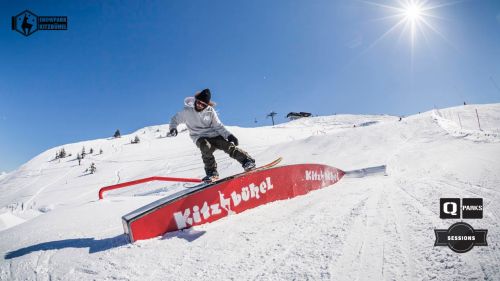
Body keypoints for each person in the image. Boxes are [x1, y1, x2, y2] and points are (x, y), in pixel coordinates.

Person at [169, 89, 256, 182]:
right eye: (198, 102)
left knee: (227, 145)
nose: (200, 105)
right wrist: (173, 128)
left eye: (203, 104)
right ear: (195, 100)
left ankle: (247, 161)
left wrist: (229, 135)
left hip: (214, 135)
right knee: (205, 147)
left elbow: (218, 126)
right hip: (199, 137)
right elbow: (175, 119)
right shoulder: (187, 111)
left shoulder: (210, 111)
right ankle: (212, 172)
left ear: (207, 105)